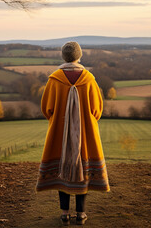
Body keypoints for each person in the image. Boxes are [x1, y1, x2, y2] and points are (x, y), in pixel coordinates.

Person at [36, 41, 110, 226]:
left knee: (62, 170)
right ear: (79, 56)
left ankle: (64, 213)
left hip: (59, 133)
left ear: (63, 56)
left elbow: (47, 109)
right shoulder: (89, 79)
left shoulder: (54, 79)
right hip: (86, 133)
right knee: (83, 170)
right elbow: (97, 110)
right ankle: (81, 214)